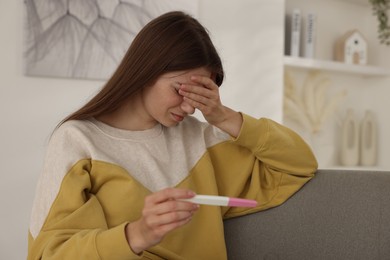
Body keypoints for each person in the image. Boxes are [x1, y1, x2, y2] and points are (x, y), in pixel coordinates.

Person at [28, 11, 318, 260]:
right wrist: (136, 235)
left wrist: (224, 116)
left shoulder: (202, 141)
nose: (190, 107)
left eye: (199, 94)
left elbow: (299, 165)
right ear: (145, 71)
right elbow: (52, 253)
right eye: (181, 90)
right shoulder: (79, 141)